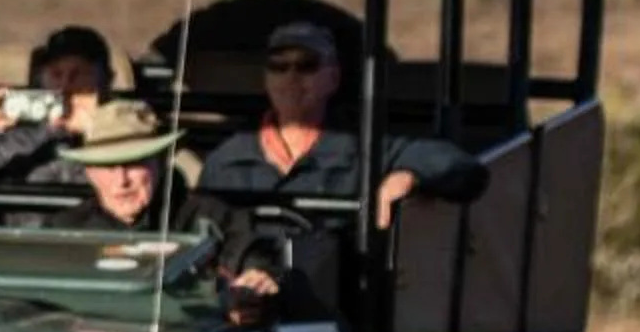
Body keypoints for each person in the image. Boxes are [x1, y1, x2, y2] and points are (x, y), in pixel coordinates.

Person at [197, 21, 485, 229]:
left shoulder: (366, 149)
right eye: (278, 67)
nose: (291, 77)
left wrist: (409, 175)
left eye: (307, 65)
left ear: (333, 78)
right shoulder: (226, 161)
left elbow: (460, 166)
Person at [50, 99, 304, 326]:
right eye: (106, 166)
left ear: (160, 161)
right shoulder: (62, 232)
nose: (121, 180)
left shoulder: (211, 216)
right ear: (88, 173)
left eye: (134, 163)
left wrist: (252, 288)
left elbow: (254, 259)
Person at [0, 24, 116, 185]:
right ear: (41, 79)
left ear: (105, 81)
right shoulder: (12, 139)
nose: (65, 86)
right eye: (56, 74)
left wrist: (97, 133)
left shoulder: (128, 134)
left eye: (79, 75)